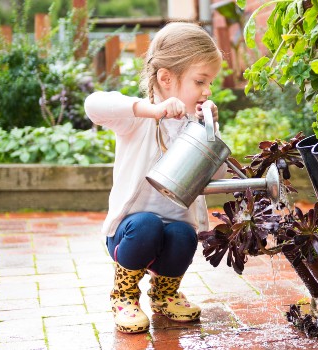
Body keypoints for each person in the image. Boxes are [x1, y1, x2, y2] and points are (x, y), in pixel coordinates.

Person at [84, 22, 226, 334]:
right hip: (129, 234)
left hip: (174, 231)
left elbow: (217, 174)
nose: (207, 90)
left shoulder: (194, 124)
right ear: (165, 78)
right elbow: (93, 104)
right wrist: (150, 109)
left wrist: (210, 130)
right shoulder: (137, 120)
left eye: (210, 83)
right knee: (147, 224)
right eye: (200, 81)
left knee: (184, 235)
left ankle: (165, 294)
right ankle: (124, 295)